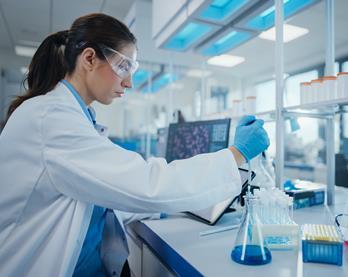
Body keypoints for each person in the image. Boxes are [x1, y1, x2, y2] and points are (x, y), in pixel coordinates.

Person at [0, 13, 270, 276]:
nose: (128, 82)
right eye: (123, 66)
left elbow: (99, 194)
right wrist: (236, 154)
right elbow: (146, 184)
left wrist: (163, 207)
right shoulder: (51, 117)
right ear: (90, 58)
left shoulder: (68, 115)